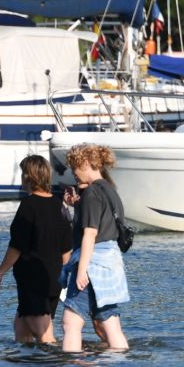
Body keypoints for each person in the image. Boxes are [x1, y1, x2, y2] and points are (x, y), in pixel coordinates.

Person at [0, 154, 69, 344]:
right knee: (21, 328)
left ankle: (59, 366)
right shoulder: (58, 205)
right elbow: (67, 248)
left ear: (29, 177)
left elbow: (17, 245)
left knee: (44, 336)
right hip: (54, 279)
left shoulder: (28, 205)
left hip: (34, 281)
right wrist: (66, 276)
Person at [60, 144, 132, 352]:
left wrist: (81, 270)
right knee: (111, 324)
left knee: (71, 323)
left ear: (84, 163)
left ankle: (72, 366)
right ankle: (119, 364)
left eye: (74, 167)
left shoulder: (91, 193)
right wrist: (77, 206)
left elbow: (90, 233)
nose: (72, 172)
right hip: (111, 264)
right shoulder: (110, 189)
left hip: (93, 264)